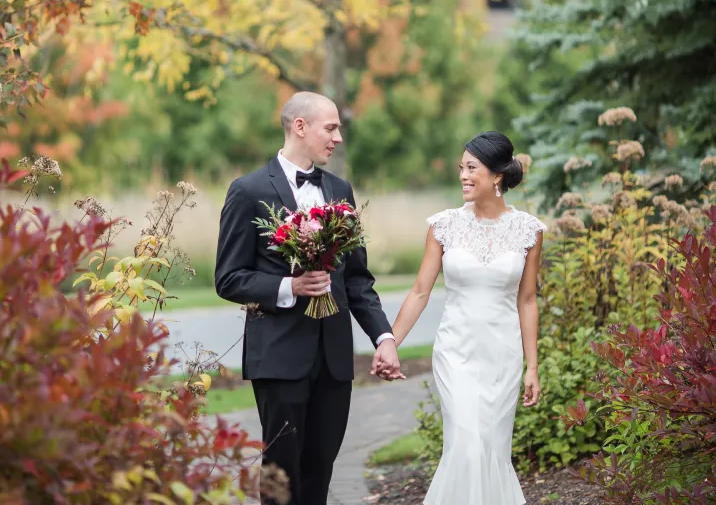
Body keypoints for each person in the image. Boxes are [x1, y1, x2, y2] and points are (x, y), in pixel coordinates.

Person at [214, 91, 400, 505]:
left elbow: (356, 279)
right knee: (281, 474)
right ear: (300, 126)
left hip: (334, 359)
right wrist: (289, 288)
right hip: (279, 357)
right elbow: (228, 278)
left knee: (321, 468)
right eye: (331, 128)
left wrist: (383, 338)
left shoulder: (339, 189)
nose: (338, 138)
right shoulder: (248, 191)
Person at [375, 131, 546, 505]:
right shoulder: (444, 225)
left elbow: (528, 300)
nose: (463, 176)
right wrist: (390, 343)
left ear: (497, 175)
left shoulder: (530, 232)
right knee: (466, 445)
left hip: (502, 355)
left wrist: (532, 367)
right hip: (456, 352)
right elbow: (420, 290)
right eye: (461, 168)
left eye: (472, 168)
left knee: (491, 449)